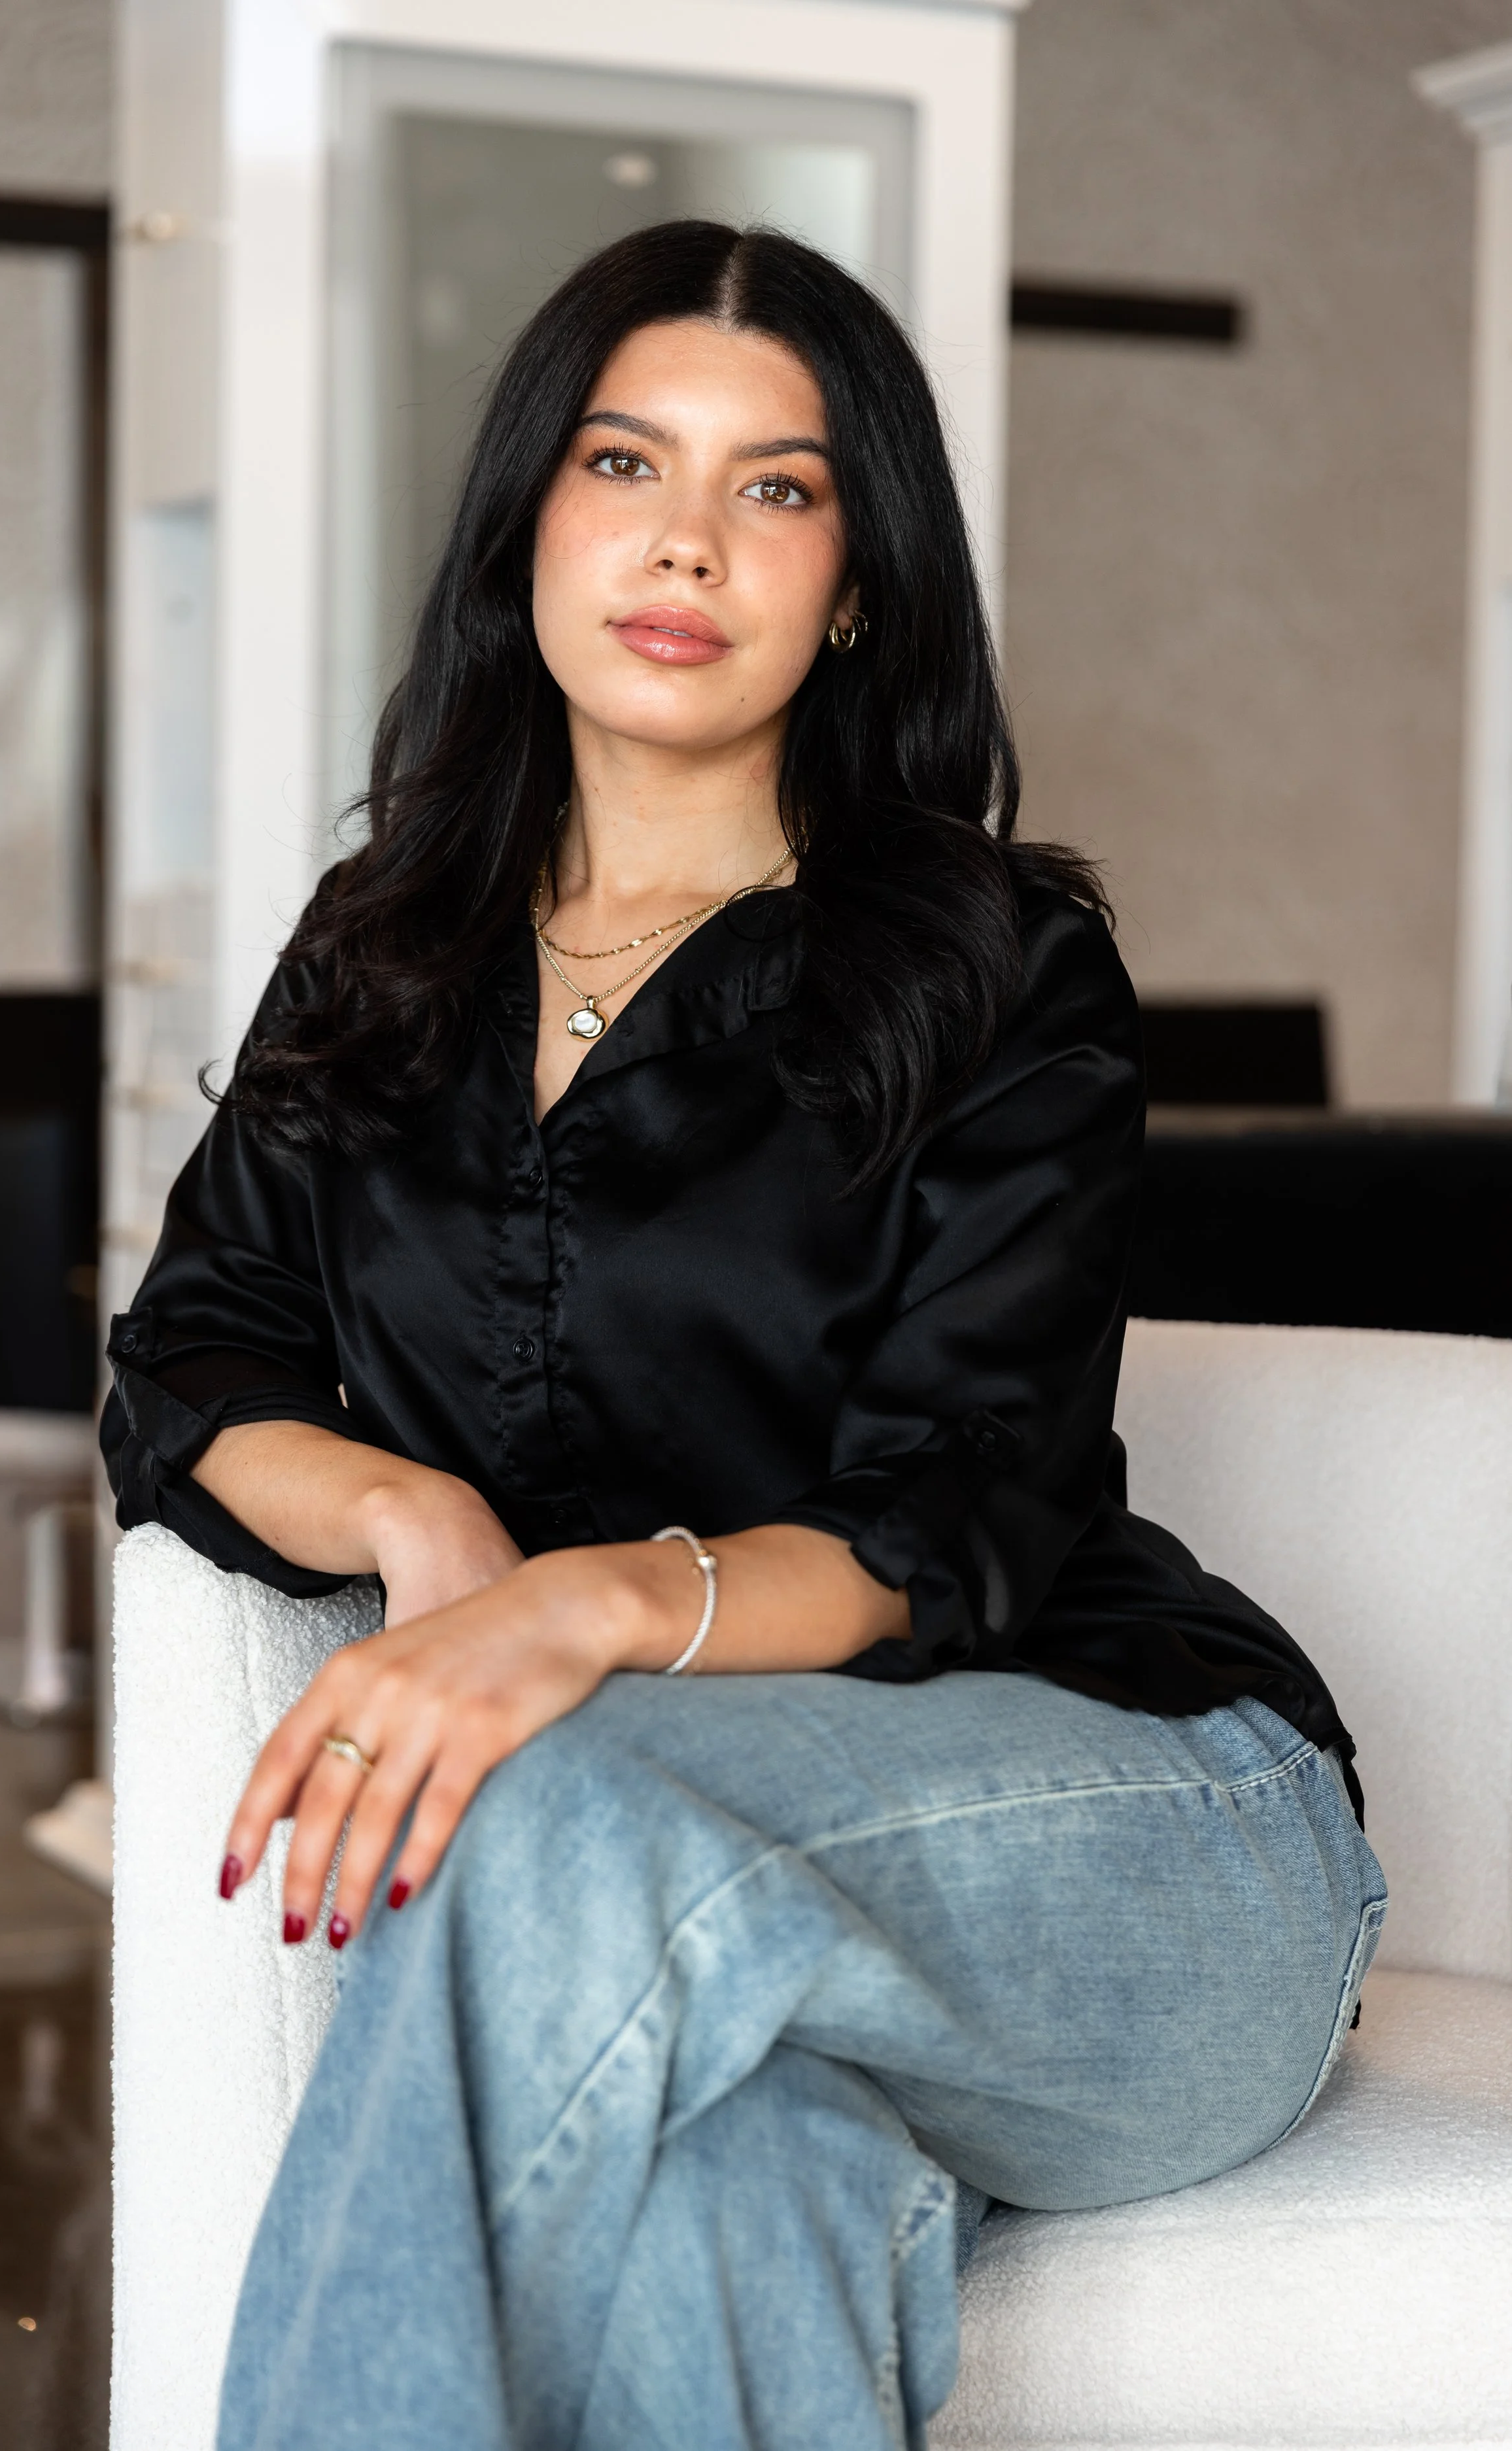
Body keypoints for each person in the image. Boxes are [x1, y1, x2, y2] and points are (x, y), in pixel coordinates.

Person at [102, 223, 1385, 2451]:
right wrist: (425, 1528)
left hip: (1135, 1853)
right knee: (736, 2191)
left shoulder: (996, 962)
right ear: (526, 524)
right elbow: (191, 1351)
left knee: (562, 1811)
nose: (688, 537)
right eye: (625, 461)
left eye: (779, 488)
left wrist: (582, 1614)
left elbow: (963, 1511)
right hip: (720, 1959)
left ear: (858, 581)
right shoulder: (380, 947)